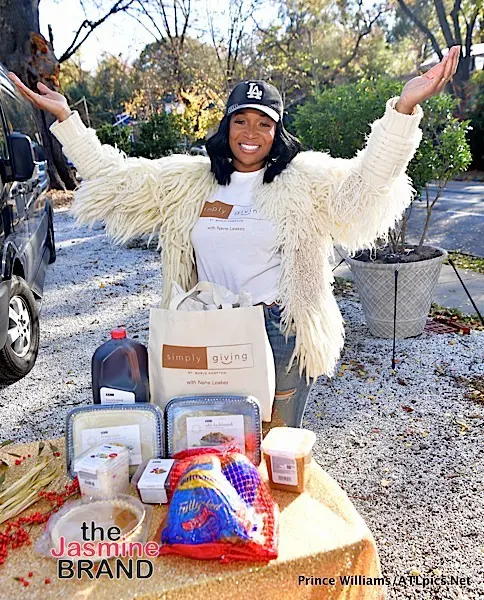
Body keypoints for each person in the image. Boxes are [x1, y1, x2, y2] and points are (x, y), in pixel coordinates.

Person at [9, 46, 460, 427]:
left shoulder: (305, 182)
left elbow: (365, 188)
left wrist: (403, 111)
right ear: (226, 126)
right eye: (241, 120)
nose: (251, 133)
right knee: (210, 436)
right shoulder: (190, 181)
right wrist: (66, 119)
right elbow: (117, 180)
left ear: (277, 132)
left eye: (264, 123)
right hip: (209, 326)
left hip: (280, 330)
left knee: (274, 442)